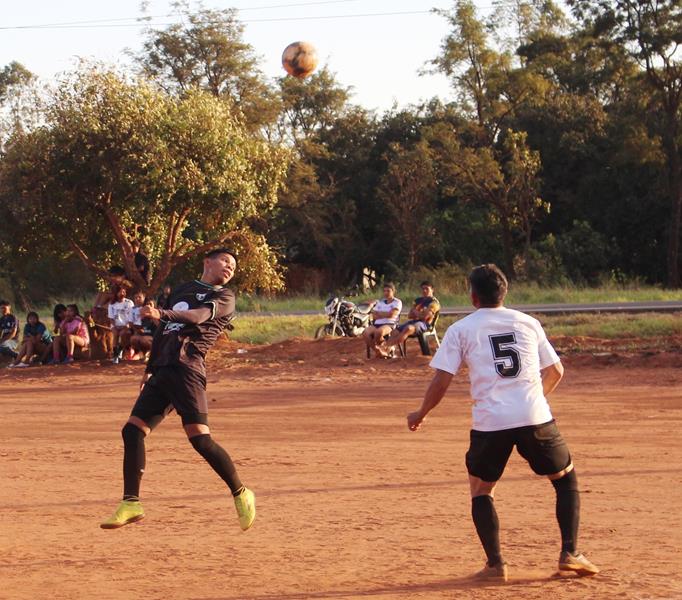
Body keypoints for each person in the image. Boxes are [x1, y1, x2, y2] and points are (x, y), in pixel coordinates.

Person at [406, 264, 599, 581]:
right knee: (565, 479)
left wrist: (421, 413)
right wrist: (533, 397)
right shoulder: (528, 322)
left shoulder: (462, 329)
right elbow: (556, 372)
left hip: (490, 422)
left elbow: (441, 380)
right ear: (504, 292)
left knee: (481, 489)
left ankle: (496, 565)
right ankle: (570, 553)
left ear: (473, 296)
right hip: (534, 415)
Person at [100, 248, 255, 532]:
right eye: (225, 261)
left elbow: (196, 317)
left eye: (234, 265)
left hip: (187, 368)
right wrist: (149, 367)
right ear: (207, 262)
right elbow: (164, 330)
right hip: (163, 368)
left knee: (200, 440)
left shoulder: (224, 297)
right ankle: (131, 503)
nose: (230, 267)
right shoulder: (184, 289)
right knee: (132, 430)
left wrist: (159, 312)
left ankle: (241, 492)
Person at [379, 281, 440, 357]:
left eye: (427, 289)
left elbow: (425, 317)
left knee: (408, 328)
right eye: (423, 289)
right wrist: (419, 313)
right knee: (395, 331)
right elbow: (410, 315)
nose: (424, 291)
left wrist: (416, 312)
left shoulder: (434, 302)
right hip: (414, 321)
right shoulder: (418, 300)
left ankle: (386, 347)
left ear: (432, 290)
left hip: (425, 324)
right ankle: (389, 349)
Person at [362, 282, 402, 358]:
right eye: (384, 291)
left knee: (378, 332)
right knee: (365, 333)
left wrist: (379, 313)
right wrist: (385, 314)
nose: (386, 293)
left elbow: (391, 315)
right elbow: (374, 315)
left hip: (389, 324)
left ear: (393, 291)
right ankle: (378, 351)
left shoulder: (397, 302)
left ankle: (389, 348)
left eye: (388, 291)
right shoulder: (380, 302)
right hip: (377, 324)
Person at [108, 285, 135, 364]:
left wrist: (126, 325)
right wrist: (115, 326)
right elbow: (111, 318)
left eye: (124, 291)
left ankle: (119, 351)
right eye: (120, 292)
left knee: (123, 334)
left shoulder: (129, 303)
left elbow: (131, 316)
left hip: (126, 325)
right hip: (115, 324)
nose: (122, 293)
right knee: (115, 334)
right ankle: (115, 355)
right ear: (116, 293)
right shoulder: (112, 304)